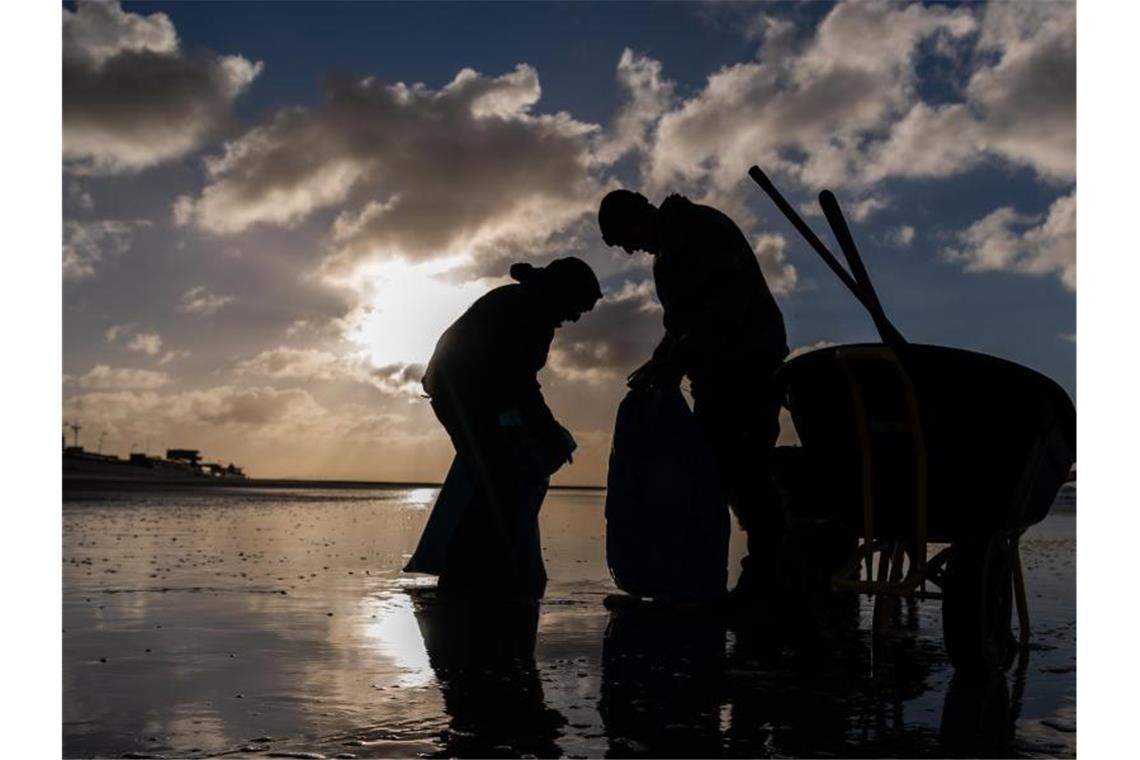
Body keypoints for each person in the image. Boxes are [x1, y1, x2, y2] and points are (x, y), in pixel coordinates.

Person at [598, 189, 789, 604]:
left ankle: (771, 582)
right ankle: (700, 580)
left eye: (627, 237)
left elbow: (722, 312)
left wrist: (674, 362)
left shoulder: (701, 230)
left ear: (641, 213)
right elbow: (681, 325)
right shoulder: (667, 253)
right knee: (714, 473)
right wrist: (659, 362)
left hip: (747, 369)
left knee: (746, 471)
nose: (631, 249)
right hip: (714, 375)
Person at [421, 256, 602, 597]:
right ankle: (466, 582)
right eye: (578, 307)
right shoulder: (529, 312)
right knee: (497, 487)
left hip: (461, 391)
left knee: (494, 483)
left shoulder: (521, 300)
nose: (574, 318)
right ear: (565, 291)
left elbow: (513, 384)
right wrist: (550, 435)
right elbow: (519, 384)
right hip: (462, 394)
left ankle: (474, 577)